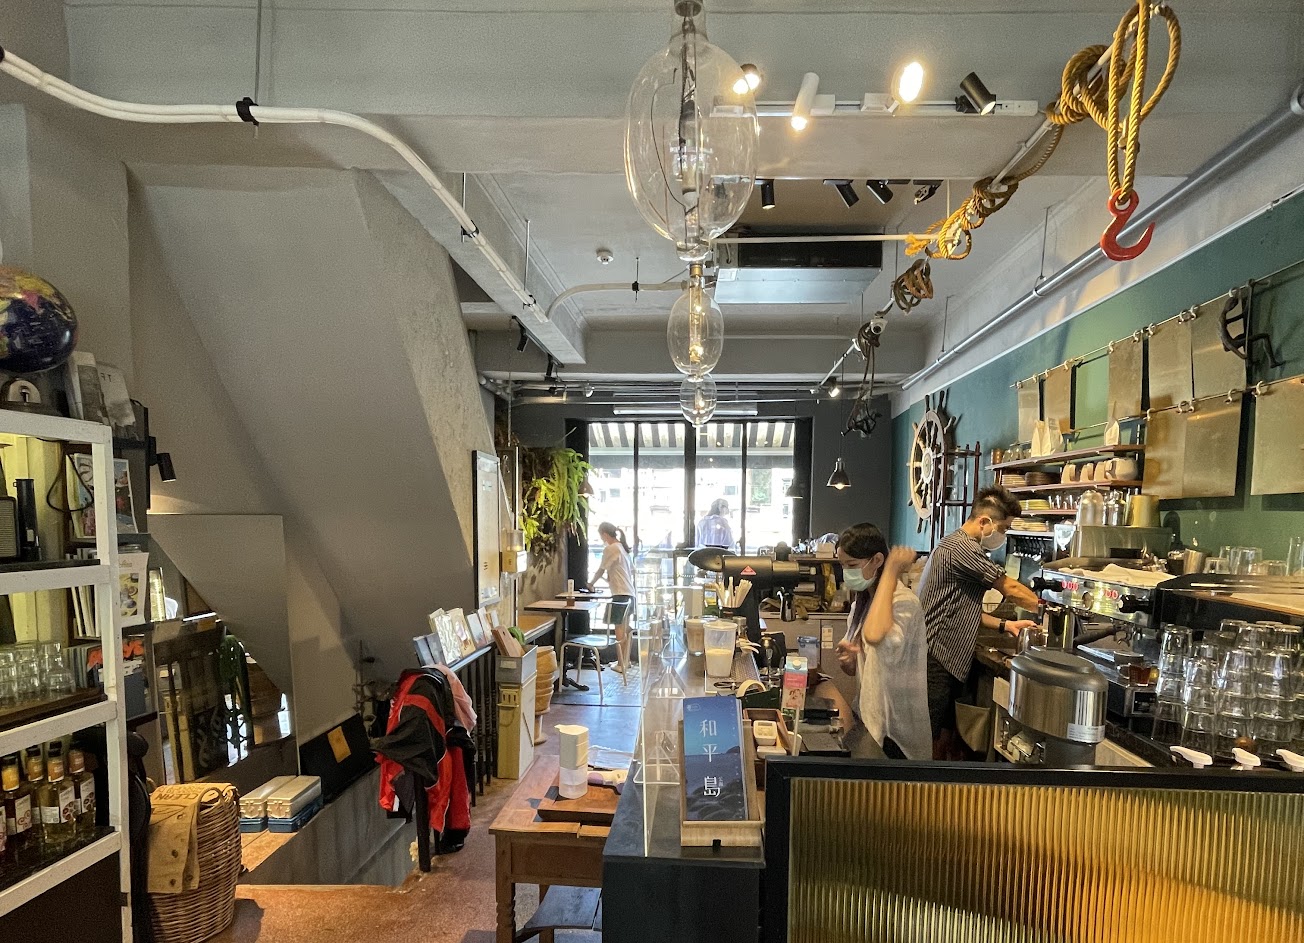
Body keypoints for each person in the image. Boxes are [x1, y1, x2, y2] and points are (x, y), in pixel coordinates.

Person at [917, 485, 1042, 756]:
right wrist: (1046, 608)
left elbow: (961, 607)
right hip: (935, 658)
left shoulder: (953, 543)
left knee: (943, 736)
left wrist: (1006, 625)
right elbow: (1010, 588)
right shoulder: (963, 548)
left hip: (942, 657)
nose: (1003, 536)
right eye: (1004, 529)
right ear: (984, 522)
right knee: (931, 739)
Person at [832, 523, 931, 760]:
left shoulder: (903, 602)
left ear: (877, 560)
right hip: (869, 718)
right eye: (843, 566)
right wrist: (850, 661)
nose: (847, 573)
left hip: (898, 731)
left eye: (852, 565)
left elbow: (875, 635)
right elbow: (864, 665)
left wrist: (891, 570)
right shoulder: (861, 605)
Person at [589, 522, 636, 671]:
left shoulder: (611, 548)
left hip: (620, 594)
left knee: (619, 629)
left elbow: (601, 570)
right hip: (630, 593)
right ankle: (626, 661)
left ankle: (621, 664)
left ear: (604, 534)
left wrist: (591, 584)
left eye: (601, 535)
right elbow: (629, 571)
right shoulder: (622, 548)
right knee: (626, 628)